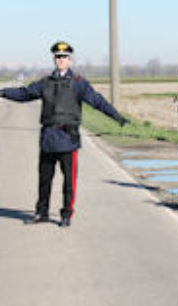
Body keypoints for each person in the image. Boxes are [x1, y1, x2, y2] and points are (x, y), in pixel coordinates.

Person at [0, 41, 128, 227]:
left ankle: (66, 214)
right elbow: (25, 93)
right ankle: (41, 212)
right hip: (48, 139)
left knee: (69, 181)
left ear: (70, 59)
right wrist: (3, 92)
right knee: (44, 179)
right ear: (54, 59)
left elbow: (97, 101)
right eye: (58, 57)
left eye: (64, 57)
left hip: (69, 139)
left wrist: (116, 116)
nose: (61, 60)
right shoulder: (45, 82)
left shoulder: (78, 83)